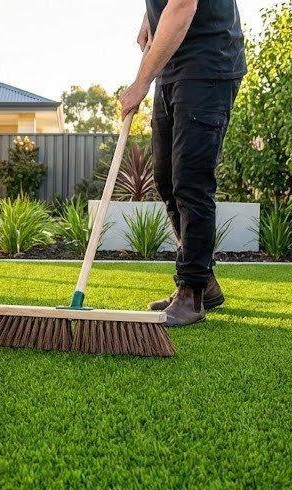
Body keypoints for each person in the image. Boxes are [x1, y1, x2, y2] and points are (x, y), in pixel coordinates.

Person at [120, 0, 246, 327]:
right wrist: (151, 18)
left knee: (191, 182)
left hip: (208, 63)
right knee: (166, 181)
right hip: (173, 63)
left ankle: (191, 292)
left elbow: (183, 6)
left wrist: (141, 82)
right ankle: (206, 282)